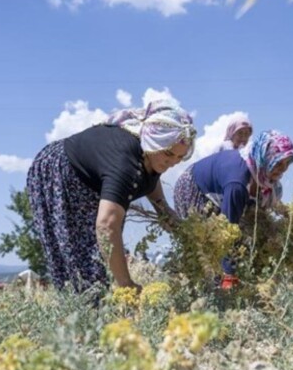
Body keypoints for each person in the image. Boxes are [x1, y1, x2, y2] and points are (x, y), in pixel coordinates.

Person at [27, 100, 196, 293]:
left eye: (179, 157)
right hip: (60, 173)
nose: (173, 162)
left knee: (100, 263)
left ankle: (96, 312)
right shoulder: (126, 165)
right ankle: (83, 317)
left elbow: (156, 192)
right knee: (84, 270)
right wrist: (126, 285)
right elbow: (106, 226)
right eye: (169, 154)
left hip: (92, 185)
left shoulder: (154, 158)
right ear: (153, 142)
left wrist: (173, 219)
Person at [174, 130, 293, 287]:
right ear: (265, 157)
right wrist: (229, 276)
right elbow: (228, 230)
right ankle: (206, 288)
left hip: (223, 194)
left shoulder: (261, 177)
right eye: (279, 163)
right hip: (195, 188)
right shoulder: (237, 183)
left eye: (287, 164)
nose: (283, 169)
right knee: (206, 247)